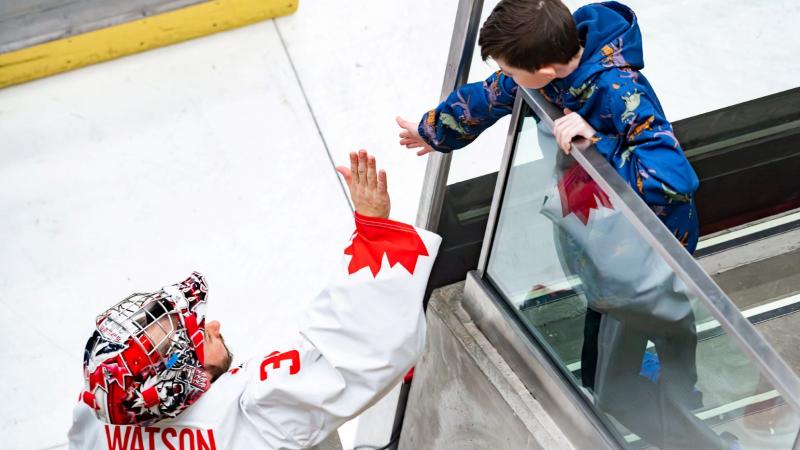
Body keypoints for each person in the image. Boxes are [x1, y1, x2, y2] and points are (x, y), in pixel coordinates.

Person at [396, 1, 740, 448]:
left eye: (514, 71)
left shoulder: (618, 88)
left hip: (649, 244)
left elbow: (671, 176)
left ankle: (685, 403)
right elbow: (494, 91)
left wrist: (598, 145)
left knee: (646, 329)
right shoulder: (549, 58)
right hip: (603, 231)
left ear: (543, 68)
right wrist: (433, 131)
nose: (509, 79)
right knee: (628, 319)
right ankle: (664, 379)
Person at [68, 150, 442, 449]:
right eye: (196, 336)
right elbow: (364, 355)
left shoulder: (98, 419)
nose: (212, 325)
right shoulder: (253, 412)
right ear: (174, 381)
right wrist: (376, 231)